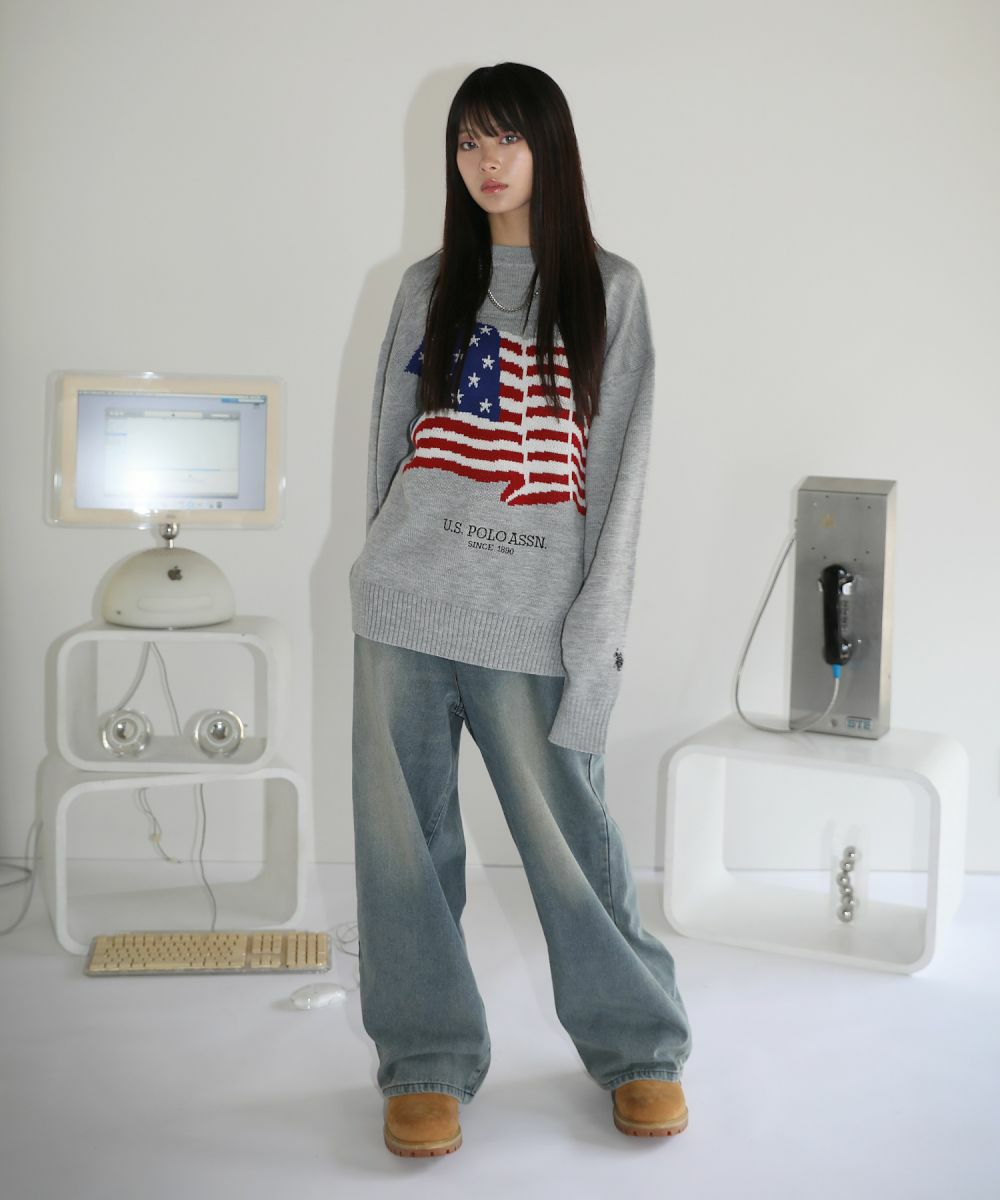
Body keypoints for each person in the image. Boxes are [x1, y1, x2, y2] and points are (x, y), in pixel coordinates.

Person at [349, 62, 693, 1158]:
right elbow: (388, 451)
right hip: (404, 607)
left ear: (551, 149)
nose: (486, 162)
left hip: (531, 617)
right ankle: (425, 1059)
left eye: (507, 139)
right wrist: (375, 570)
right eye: (467, 142)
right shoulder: (425, 286)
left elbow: (621, 480)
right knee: (402, 851)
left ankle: (639, 1045)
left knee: (570, 841)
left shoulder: (609, 289)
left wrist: (596, 636)